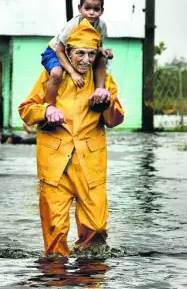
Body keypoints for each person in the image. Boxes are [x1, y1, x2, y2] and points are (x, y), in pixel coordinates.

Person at [19, 18, 124, 256]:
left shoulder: (104, 81)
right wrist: (46, 110)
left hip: (90, 165)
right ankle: (56, 276)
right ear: (67, 51)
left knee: (96, 230)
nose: (86, 60)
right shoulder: (51, 76)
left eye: (91, 54)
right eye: (80, 53)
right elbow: (26, 110)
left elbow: (115, 119)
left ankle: (89, 274)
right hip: (55, 164)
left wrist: (106, 102)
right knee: (55, 234)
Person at [41, 0, 113, 107]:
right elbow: (59, 50)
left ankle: (99, 92)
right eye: (87, 8)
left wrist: (104, 51)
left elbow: (98, 46)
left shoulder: (101, 25)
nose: (91, 12)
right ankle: (50, 107)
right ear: (80, 8)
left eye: (96, 9)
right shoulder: (72, 25)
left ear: (102, 10)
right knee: (56, 73)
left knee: (102, 58)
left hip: (79, 53)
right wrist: (73, 73)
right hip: (55, 51)